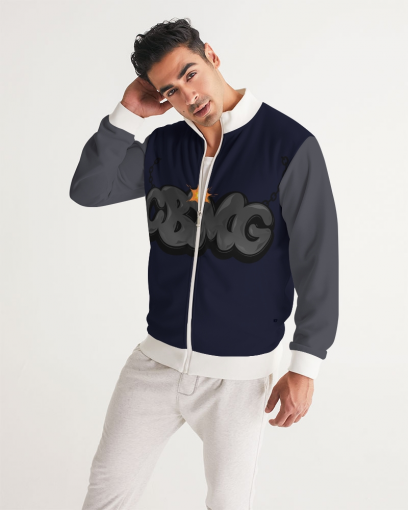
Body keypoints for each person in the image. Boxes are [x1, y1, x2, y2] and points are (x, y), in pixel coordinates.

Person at [69, 17, 339, 510]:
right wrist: (128, 113)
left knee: (228, 503)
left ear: (212, 55)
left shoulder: (288, 146)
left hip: (239, 378)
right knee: (106, 495)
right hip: (155, 363)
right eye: (170, 90)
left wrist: (305, 366)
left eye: (190, 73)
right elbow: (89, 189)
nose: (188, 95)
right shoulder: (164, 147)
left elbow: (317, 260)